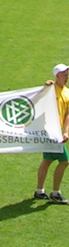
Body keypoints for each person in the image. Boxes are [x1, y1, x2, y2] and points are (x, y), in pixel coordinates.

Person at [34, 64, 69, 204]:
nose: (67, 77)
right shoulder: (50, 89)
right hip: (49, 132)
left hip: (57, 132)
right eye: (65, 74)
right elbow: (37, 100)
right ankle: (55, 192)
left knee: (47, 161)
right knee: (65, 161)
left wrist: (66, 131)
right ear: (57, 75)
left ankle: (39, 191)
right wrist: (44, 87)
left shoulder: (67, 92)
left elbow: (67, 114)